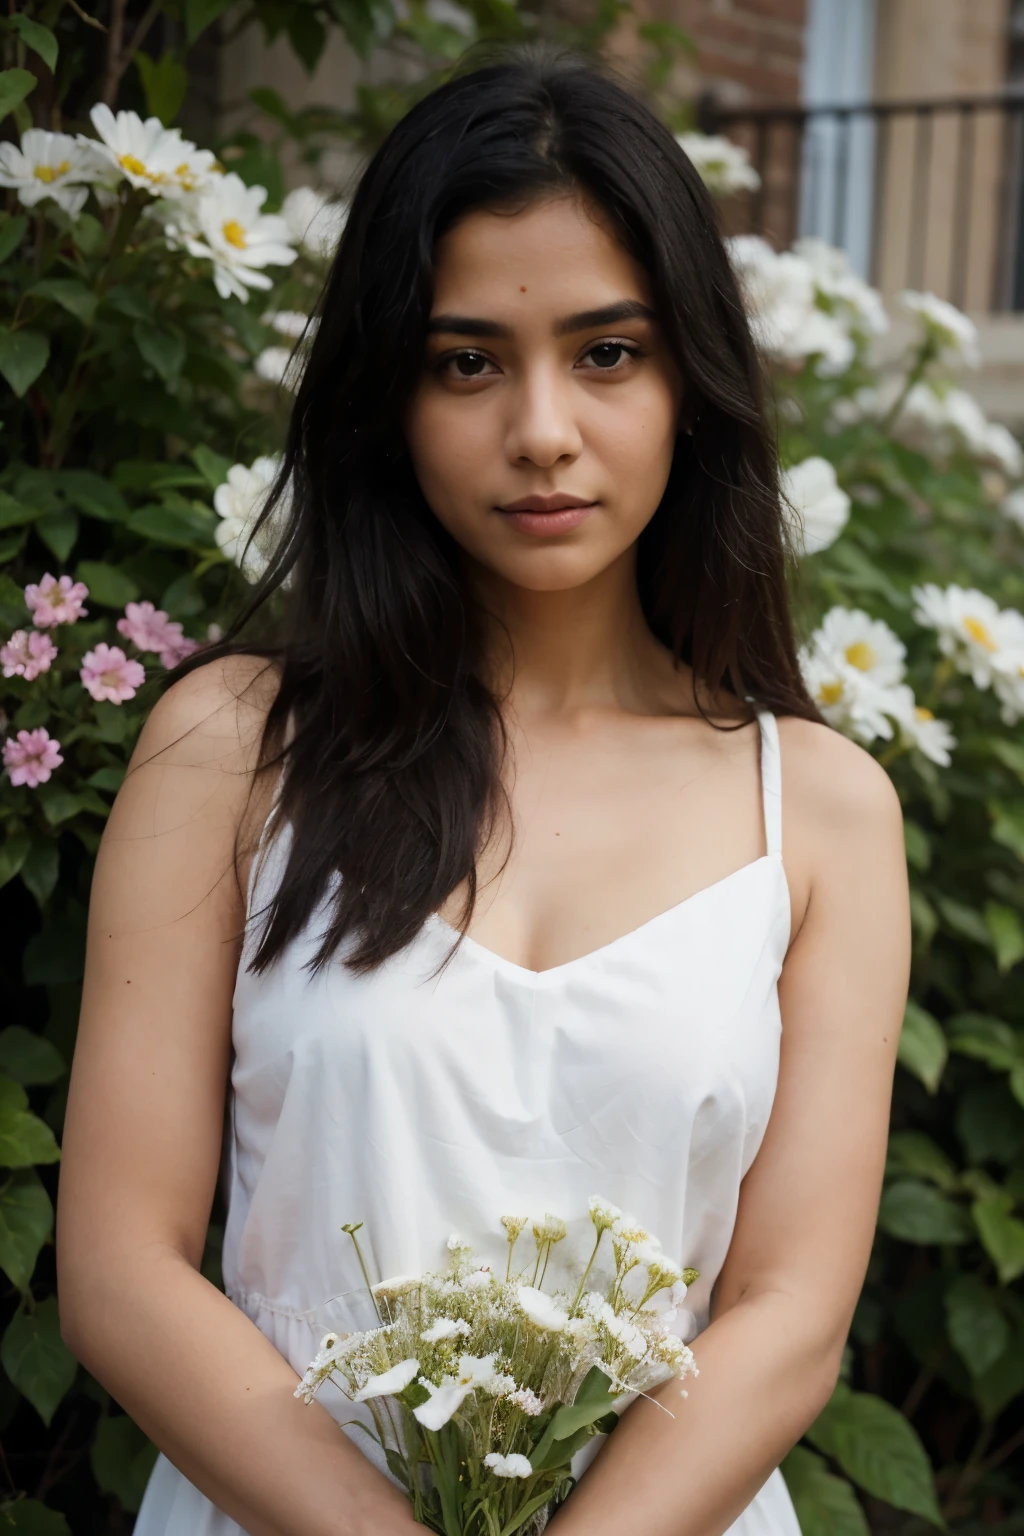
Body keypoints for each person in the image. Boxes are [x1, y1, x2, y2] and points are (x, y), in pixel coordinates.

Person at [56, 45, 911, 1536]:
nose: (541, 431)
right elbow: (122, 1268)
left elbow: (784, 1315)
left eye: (607, 352)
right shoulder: (230, 750)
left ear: (689, 379)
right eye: (467, 361)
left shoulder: (820, 811)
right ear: (390, 395)